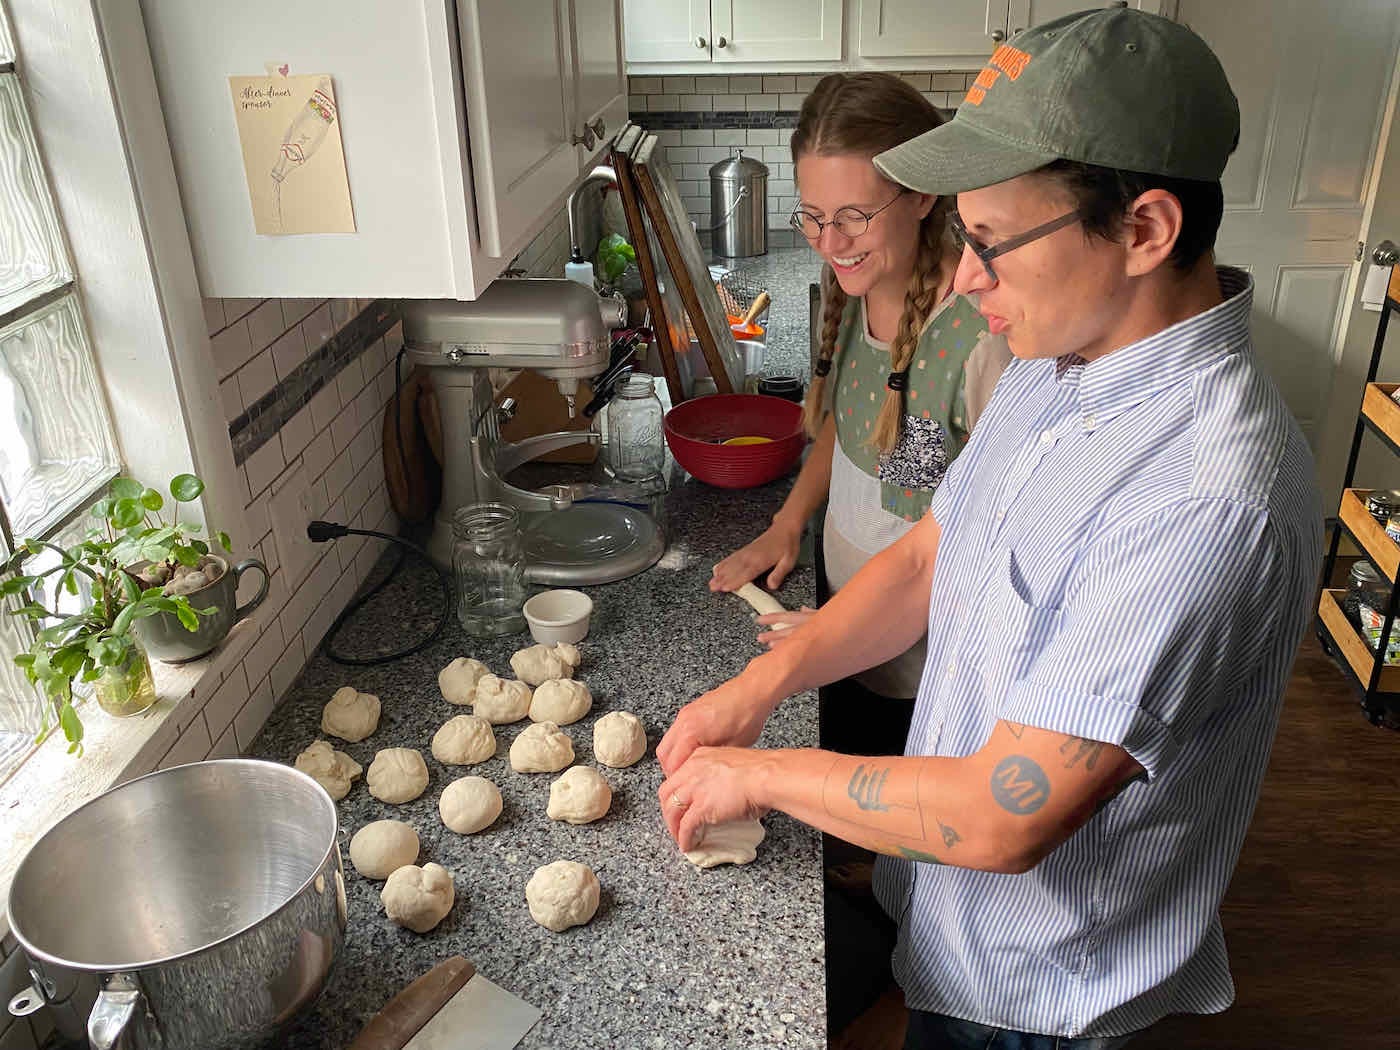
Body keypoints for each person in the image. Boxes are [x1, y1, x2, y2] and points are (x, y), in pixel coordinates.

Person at [658, 9, 1322, 1049]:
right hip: (950, 923)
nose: (964, 279)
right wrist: (761, 687)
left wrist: (759, 773)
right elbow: (930, 554)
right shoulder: (1059, 365)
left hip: (1039, 993)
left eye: (989, 243)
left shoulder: (1201, 501)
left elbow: (1003, 817)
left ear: (1144, 230)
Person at [710, 72, 1010, 755]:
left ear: (921, 194)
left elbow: (988, 527)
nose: (829, 240)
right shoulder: (847, 285)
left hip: (926, 663)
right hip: (838, 626)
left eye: (854, 215)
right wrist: (787, 527)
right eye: (812, 214)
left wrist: (842, 626)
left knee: (889, 834)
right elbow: (849, 432)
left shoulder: (979, 334)